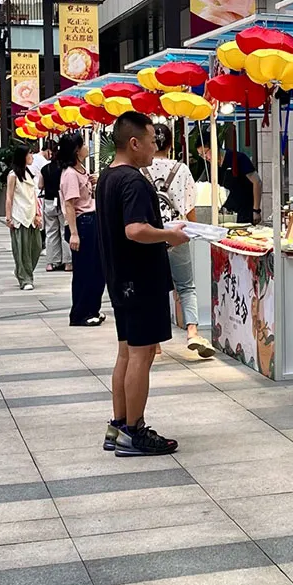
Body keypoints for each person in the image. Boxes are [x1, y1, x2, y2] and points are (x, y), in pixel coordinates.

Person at [96, 112, 189, 457]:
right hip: (140, 278)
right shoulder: (133, 181)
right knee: (141, 355)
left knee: (126, 352)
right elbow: (134, 230)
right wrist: (171, 235)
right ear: (134, 143)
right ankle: (134, 430)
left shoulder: (108, 177)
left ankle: (119, 424)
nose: (155, 147)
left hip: (121, 279)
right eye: (152, 141)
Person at [144, 125, 214, 359]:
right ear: (172, 144)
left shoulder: (141, 168)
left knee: (154, 288)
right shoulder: (181, 169)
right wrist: (193, 228)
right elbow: (190, 205)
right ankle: (193, 332)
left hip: (151, 235)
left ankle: (154, 342)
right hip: (178, 233)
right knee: (186, 286)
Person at [59, 133, 105, 326]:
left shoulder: (81, 169)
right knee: (84, 271)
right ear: (77, 150)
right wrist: (74, 233)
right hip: (82, 223)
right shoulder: (69, 173)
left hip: (92, 220)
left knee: (97, 270)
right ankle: (80, 313)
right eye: (84, 144)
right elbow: (69, 205)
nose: (87, 146)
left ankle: (93, 309)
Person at [6, 145, 43, 291]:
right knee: (22, 249)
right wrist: (8, 217)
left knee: (36, 247)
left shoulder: (29, 173)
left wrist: (37, 214)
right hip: (19, 216)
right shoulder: (13, 175)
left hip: (31, 215)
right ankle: (25, 278)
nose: (32, 157)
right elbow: (9, 197)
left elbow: (33, 195)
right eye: (30, 154)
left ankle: (23, 272)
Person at [198, 137, 262, 224]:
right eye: (201, 155)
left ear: (215, 147)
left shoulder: (238, 158)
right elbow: (201, 184)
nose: (205, 158)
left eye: (205, 153)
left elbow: (257, 182)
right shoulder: (210, 166)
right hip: (224, 215)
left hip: (244, 212)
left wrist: (256, 210)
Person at [38, 141, 71, 272]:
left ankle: (51, 263)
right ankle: (68, 262)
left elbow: (40, 185)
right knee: (64, 232)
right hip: (62, 202)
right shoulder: (65, 169)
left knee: (51, 233)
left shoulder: (45, 169)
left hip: (49, 202)